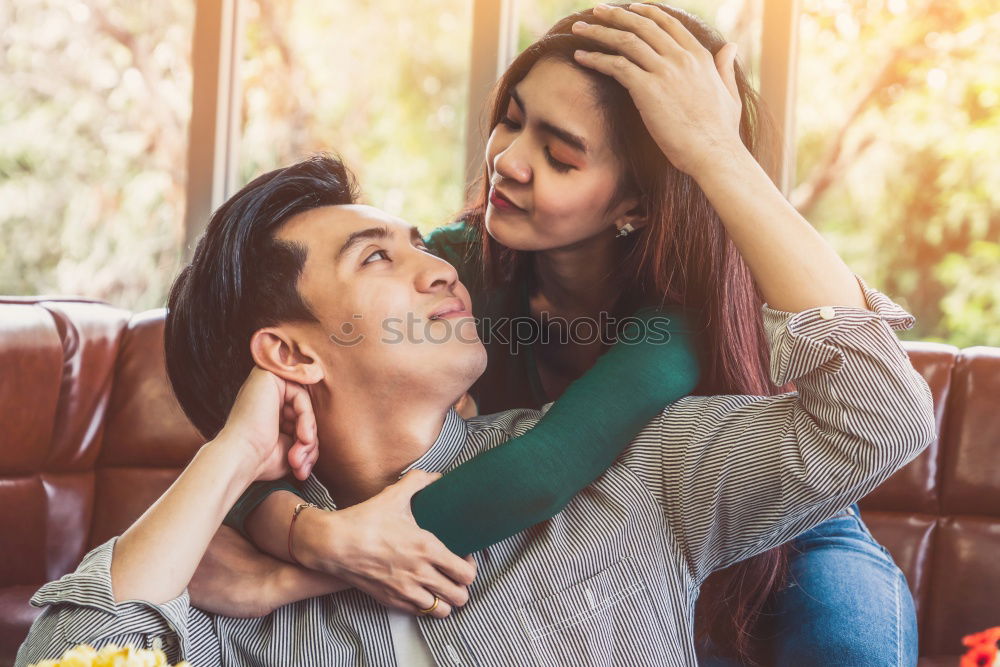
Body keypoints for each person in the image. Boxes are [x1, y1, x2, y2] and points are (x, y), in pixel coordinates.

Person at [17, 152, 934, 666]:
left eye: (419, 244)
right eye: (375, 258)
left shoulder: (636, 476)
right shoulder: (228, 596)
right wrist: (232, 458)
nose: (439, 265)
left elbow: (881, 414)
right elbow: (72, 654)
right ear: (290, 352)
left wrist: (714, 151)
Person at [219, 4, 921, 664]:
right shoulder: (453, 270)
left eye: (560, 156)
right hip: (612, 553)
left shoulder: (674, 322)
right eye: (512, 121)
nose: (508, 162)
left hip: (784, 525)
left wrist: (311, 563)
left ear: (635, 206)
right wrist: (309, 528)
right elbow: (247, 452)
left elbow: (538, 472)